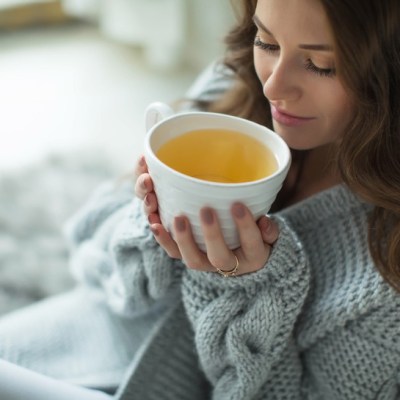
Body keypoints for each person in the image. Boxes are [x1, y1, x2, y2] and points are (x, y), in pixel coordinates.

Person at [0, 0, 400, 399]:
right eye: (268, 42)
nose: (274, 87)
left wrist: (249, 290)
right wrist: (156, 218)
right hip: (90, 332)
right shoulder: (235, 87)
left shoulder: (386, 273)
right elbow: (91, 249)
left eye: (321, 65)